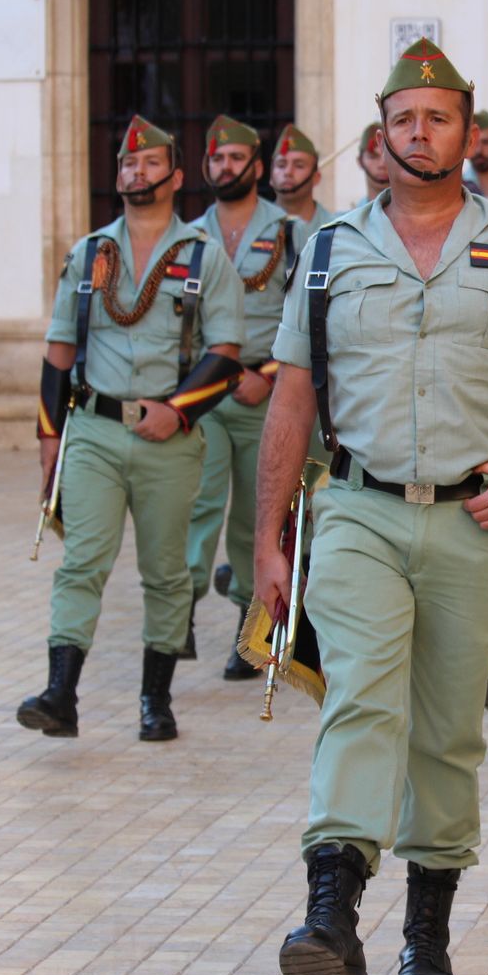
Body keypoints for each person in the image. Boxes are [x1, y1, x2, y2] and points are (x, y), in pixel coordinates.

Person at [254, 39, 488, 975]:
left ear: (463, 128)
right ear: (381, 133)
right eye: (404, 117)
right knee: (361, 691)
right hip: (357, 508)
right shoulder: (330, 247)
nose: (420, 132)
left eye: (437, 116)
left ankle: (424, 935)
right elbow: (290, 399)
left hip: (475, 523)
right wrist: (267, 538)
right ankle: (331, 902)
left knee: (446, 730)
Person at [20, 115, 244, 741]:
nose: (135, 172)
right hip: (93, 429)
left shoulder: (204, 258)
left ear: (175, 177)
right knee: (82, 561)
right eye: (126, 164)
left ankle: (156, 699)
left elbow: (226, 349)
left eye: (148, 164)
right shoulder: (90, 253)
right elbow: (59, 354)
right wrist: (49, 445)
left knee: (166, 569)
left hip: (168, 438)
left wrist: (177, 410)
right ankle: (60, 694)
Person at [183, 114, 301, 679]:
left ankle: (246, 630)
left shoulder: (287, 232)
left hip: (268, 392)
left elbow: (306, 316)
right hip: (209, 393)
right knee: (197, 505)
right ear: (205, 167)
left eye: (236, 157)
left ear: (256, 165)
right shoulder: (189, 236)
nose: (225, 166)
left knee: (258, 516)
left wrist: (273, 373)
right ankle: (178, 609)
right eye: (216, 158)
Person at [270, 122, 337, 229]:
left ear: (316, 177)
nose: (288, 172)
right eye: (281, 165)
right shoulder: (254, 228)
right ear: (271, 177)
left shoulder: (334, 228)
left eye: (299, 165)